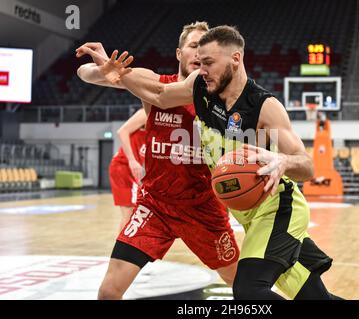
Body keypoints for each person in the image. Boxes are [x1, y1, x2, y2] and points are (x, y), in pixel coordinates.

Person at [98, 25, 342, 300]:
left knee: (249, 291)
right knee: (313, 297)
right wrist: (119, 74)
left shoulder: (263, 106)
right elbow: (159, 95)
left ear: (235, 59)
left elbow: (307, 167)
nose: (202, 69)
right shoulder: (200, 87)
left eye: (210, 63)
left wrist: (283, 160)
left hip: (278, 209)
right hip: (249, 215)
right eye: (200, 63)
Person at [76, 22, 239, 300]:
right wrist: (101, 69)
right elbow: (85, 74)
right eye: (192, 46)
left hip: (202, 208)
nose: (198, 53)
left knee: (245, 286)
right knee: (108, 291)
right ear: (178, 53)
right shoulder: (154, 83)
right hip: (155, 206)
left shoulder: (218, 97)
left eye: (204, 48)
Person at [109, 107, 147, 234]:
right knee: (129, 213)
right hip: (123, 166)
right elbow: (122, 131)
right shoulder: (146, 113)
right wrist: (131, 160)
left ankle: (127, 249)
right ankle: (121, 252)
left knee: (136, 213)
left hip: (134, 170)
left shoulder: (163, 122)